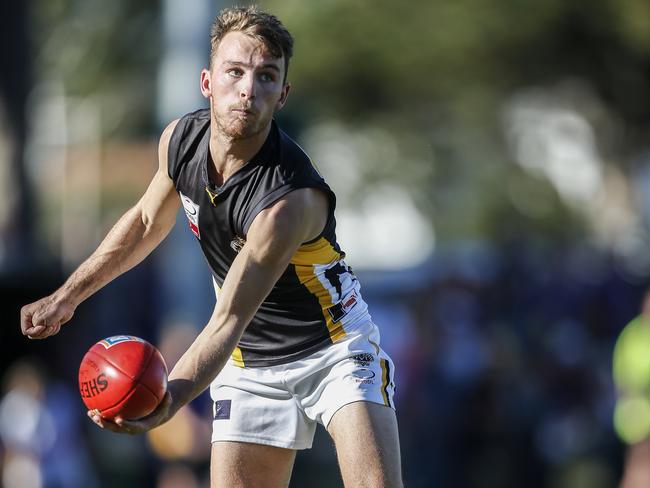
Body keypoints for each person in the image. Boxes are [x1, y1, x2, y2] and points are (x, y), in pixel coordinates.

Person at [20, 6, 402, 487]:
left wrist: (167, 402)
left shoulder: (286, 202)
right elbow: (142, 223)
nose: (248, 88)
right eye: (235, 72)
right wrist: (67, 295)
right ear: (207, 82)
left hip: (331, 351)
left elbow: (226, 319)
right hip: (247, 362)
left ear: (282, 95)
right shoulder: (180, 140)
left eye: (266, 77)